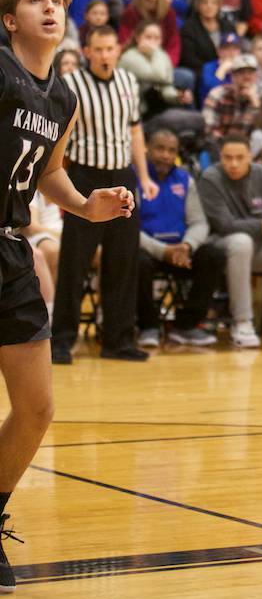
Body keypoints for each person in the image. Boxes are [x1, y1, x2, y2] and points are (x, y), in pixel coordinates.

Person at [0, 0, 135, 592]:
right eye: (35, 0)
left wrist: (84, 204)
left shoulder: (63, 97)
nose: (49, 7)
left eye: (57, 0)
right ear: (10, 20)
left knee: (37, 408)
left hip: (9, 247)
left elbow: (49, 169)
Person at [51, 23, 158, 365]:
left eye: (110, 48)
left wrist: (143, 176)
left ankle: (118, 339)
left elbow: (136, 131)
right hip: (86, 176)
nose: (104, 55)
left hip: (123, 176)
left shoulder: (128, 82)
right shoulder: (71, 85)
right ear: (87, 51)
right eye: (98, 49)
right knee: (74, 262)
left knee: (123, 260)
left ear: (118, 50)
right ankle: (61, 342)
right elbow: (60, 137)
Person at [197, 133, 262, 348]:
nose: (233, 164)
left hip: (261, 249)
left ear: (250, 156)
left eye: (240, 157)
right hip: (222, 248)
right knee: (241, 241)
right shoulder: (210, 178)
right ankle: (242, 322)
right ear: (220, 157)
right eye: (227, 157)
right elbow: (225, 226)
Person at [136, 129, 224, 347]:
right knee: (134, 259)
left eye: (171, 150)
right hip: (149, 251)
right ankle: (148, 327)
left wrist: (187, 245)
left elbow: (199, 222)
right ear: (147, 148)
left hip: (180, 252)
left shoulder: (185, 179)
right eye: (160, 148)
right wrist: (162, 251)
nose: (166, 155)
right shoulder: (135, 177)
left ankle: (186, 326)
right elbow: (128, 228)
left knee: (213, 256)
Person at [202, 53, 261, 152]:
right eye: (241, 73)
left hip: (248, 150)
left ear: (256, 76)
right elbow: (208, 127)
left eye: (250, 73)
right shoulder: (217, 94)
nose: (246, 77)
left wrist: (255, 105)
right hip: (220, 146)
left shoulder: (261, 99)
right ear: (233, 76)